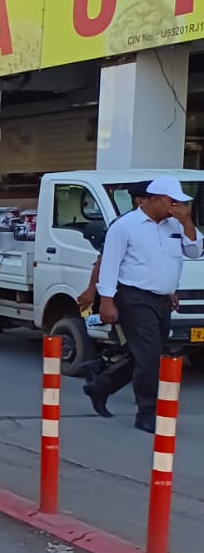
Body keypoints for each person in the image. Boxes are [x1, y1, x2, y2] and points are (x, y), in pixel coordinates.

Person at [84, 177, 202, 433]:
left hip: (163, 300)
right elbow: (110, 264)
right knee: (149, 356)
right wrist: (106, 300)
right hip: (134, 297)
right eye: (173, 201)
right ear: (154, 199)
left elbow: (195, 252)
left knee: (145, 352)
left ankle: (100, 386)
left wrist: (187, 222)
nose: (177, 206)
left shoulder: (176, 224)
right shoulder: (125, 226)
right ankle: (146, 412)